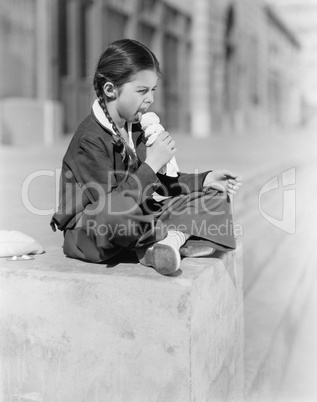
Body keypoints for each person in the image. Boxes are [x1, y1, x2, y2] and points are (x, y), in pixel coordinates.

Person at [50, 39, 242, 276]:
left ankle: (168, 241)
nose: (150, 99)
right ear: (110, 90)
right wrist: (152, 163)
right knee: (116, 215)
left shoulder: (135, 126)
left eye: (153, 90)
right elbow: (113, 204)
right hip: (95, 229)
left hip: (138, 213)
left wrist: (204, 180)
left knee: (215, 196)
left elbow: (160, 183)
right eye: (141, 91)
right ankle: (174, 237)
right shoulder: (90, 140)